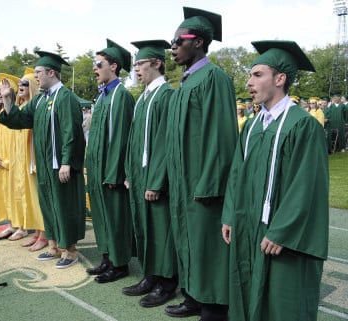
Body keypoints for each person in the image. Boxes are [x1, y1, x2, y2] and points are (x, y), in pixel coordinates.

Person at [221, 40, 329, 321]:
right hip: (249, 227)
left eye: (257, 75)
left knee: (282, 302)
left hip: (280, 234)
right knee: (246, 291)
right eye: (249, 76)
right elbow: (236, 175)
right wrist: (230, 215)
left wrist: (281, 230)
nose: (249, 82)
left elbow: (307, 187)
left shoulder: (302, 125)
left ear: (280, 79)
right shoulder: (254, 126)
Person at [165, 7, 238, 321]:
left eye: (178, 40)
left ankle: (215, 306)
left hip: (203, 184)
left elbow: (221, 135)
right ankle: (194, 295)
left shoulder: (214, 78)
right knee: (189, 241)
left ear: (198, 41)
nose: (173, 46)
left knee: (207, 245)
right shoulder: (185, 82)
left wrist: (210, 183)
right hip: (184, 182)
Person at [0, 50, 86, 269]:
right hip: (45, 164)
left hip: (60, 165)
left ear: (51, 72)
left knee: (63, 206)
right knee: (48, 205)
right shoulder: (39, 100)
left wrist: (66, 161)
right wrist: (8, 98)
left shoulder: (65, 97)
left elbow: (71, 132)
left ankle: (70, 250)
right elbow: (18, 119)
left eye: (38, 72)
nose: (35, 77)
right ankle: (54, 246)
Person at [122, 39, 178, 307]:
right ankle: (150, 275)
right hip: (140, 175)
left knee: (160, 230)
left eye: (141, 64)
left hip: (157, 179)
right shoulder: (143, 97)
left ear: (156, 63)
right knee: (145, 228)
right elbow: (134, 140)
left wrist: (156, 181)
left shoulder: (166, 95)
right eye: (135, 65)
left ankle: (167, 283)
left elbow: (165, 144)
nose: (137, 70)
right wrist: (129, 172)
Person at [85, 39, 134, 283]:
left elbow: (121, 139)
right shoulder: (103, 96)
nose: (94, 69)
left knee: (115, 217)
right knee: (102, 217)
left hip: (110, 171)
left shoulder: (120, 96)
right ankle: (107, 258)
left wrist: (115, 172)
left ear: (113, 66)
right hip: (97, 169)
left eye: (98, 64)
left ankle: (119, 263)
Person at [11, 67, 47, 251]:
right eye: (19, 84)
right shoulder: (22, 107)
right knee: (29, 198)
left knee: (36, 197)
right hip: (22, 160)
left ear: (32, 85)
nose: (20, 87)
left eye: (24, 84)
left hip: (33, 159)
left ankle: (44, 233)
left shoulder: (35, 107)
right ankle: (36, 232)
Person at [0, 73, 22, 240]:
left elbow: (19, 141)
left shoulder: (16, 113)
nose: (0, 94)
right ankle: (11, 224)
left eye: (2, 90)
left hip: (13, 162)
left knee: (17, 193)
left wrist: (8, 162)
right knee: (4, 194)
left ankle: (21, 226)